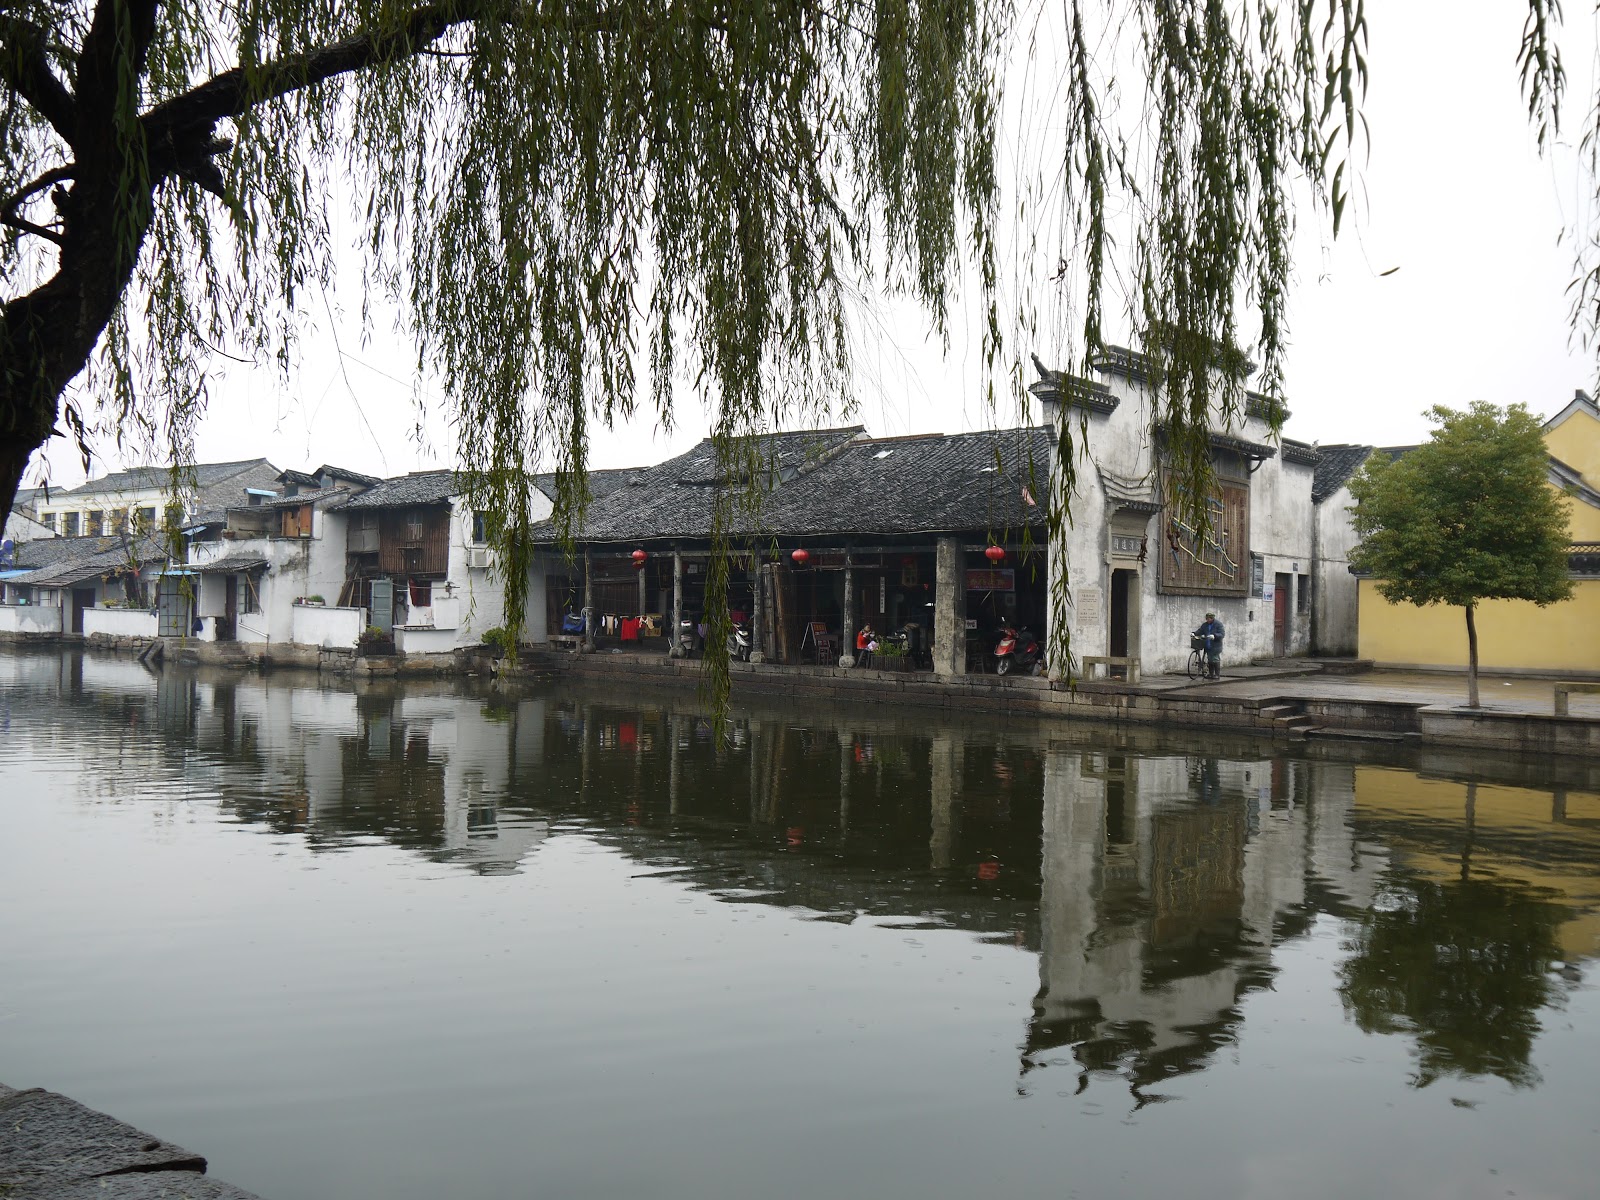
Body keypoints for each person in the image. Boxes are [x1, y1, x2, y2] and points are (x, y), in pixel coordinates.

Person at [1193, 612, 1225, 679]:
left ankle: (1217, 674)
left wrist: (1215, 636)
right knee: (1210, 659)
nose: (1208, 620)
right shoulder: (1205, 625)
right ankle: (1211, 674)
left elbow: (1222, 634)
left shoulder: (1218, 624)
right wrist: (1194, 633)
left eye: (1209, 619)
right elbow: (1200, 630)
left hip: (1216, 645)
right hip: (1208, 645)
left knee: (1215, 659)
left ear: (1212, 618)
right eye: (1207, 619)